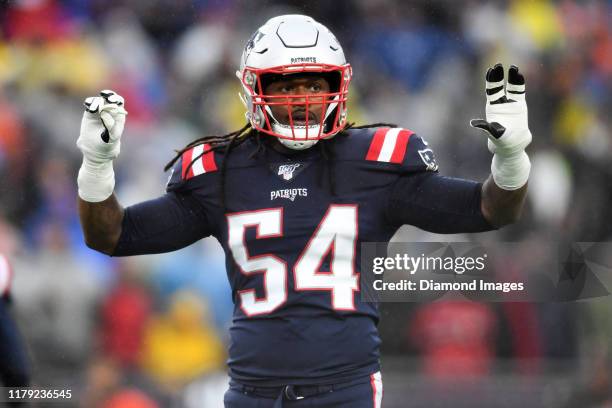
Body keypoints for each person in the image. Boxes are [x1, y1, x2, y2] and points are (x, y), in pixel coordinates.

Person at [76, 14, 531, 408]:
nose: (301, 98)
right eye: (285, 84)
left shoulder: (377, 160)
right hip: (251, 391)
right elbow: (113, 236)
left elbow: (489, 209)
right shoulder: (222, 170)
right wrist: (96, 167)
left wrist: (510, 160)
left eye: (315, 84)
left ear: (339, 85)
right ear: (254, 87)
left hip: (344, 390)